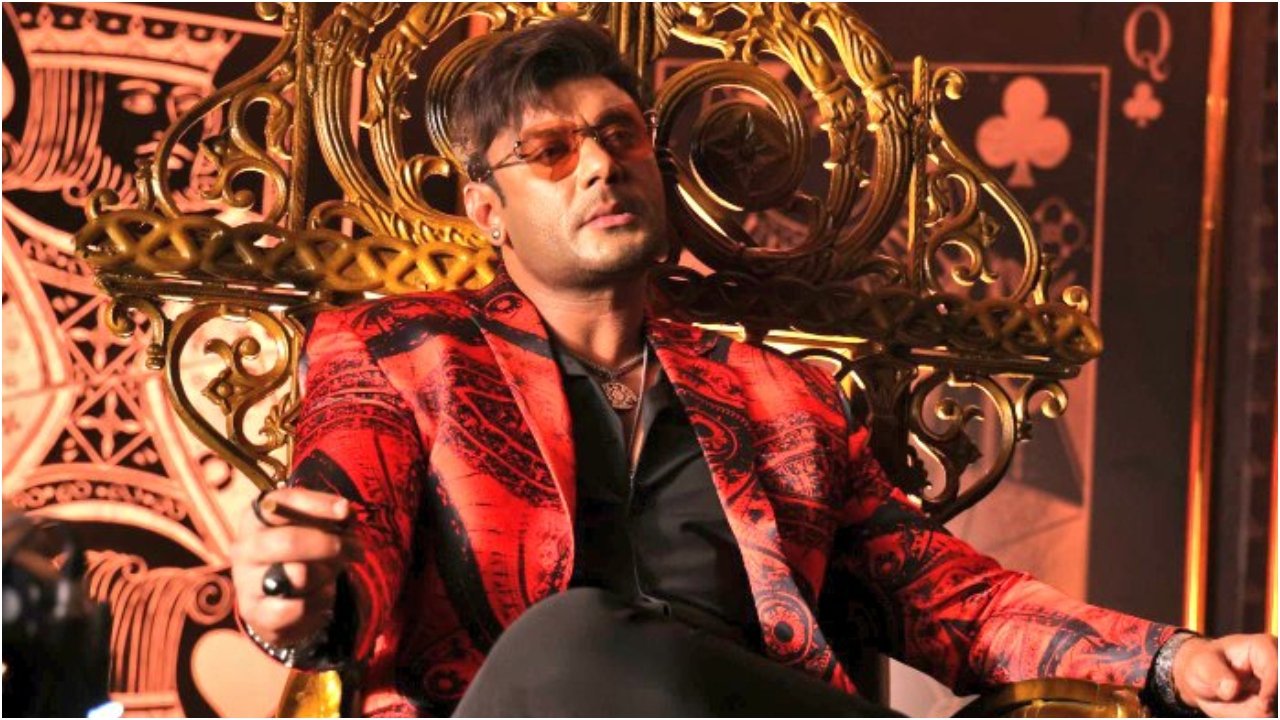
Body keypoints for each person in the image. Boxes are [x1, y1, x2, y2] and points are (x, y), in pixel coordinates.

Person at [230, 18, 1277, 718]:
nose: (598, 163)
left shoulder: (783, 400)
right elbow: (339, 528)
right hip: (525, 702)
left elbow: (946, 594)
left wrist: (1171, 660)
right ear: (487, 211)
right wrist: (294, 600)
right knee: (569, 641)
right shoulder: (398, 354)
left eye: (618, 134)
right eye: (549, 151)